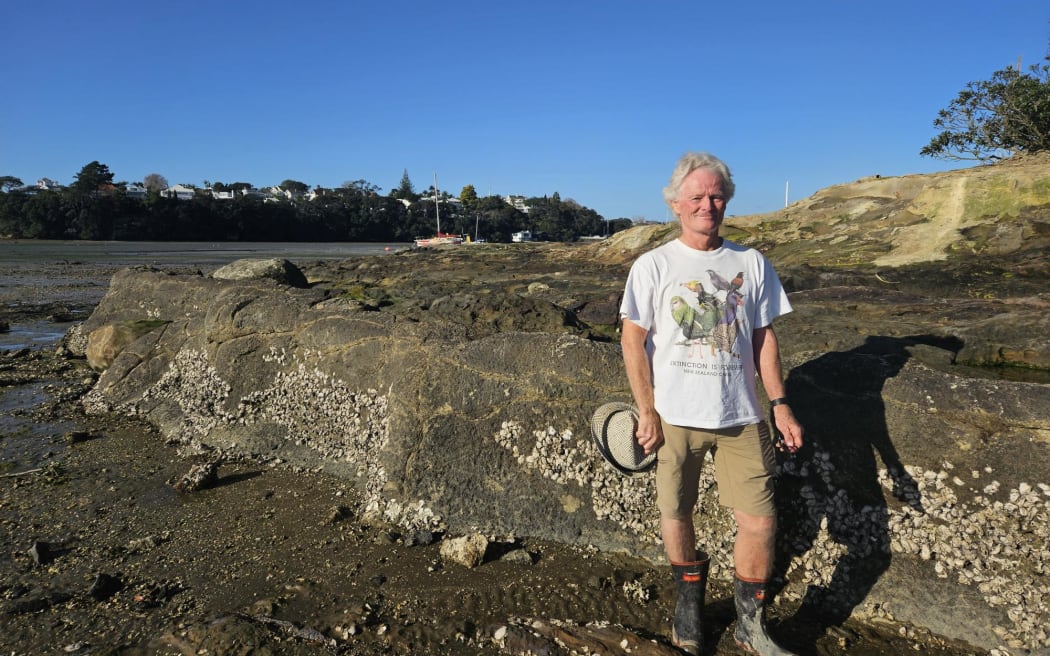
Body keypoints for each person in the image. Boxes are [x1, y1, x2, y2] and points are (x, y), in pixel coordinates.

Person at [619, 152, 803, 656]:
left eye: (716, 195)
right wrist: (647, 409)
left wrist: (780, 404)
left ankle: (750, 624)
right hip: (675, 418)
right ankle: (688, 608)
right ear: (676, 203)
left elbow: (763, 338)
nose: (707, 204)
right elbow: (632, 339)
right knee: (677, 513)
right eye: (697, 196)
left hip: (742, 415)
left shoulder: (751, 263)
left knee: (761, 520)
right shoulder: (653, 264)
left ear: (727, 201)